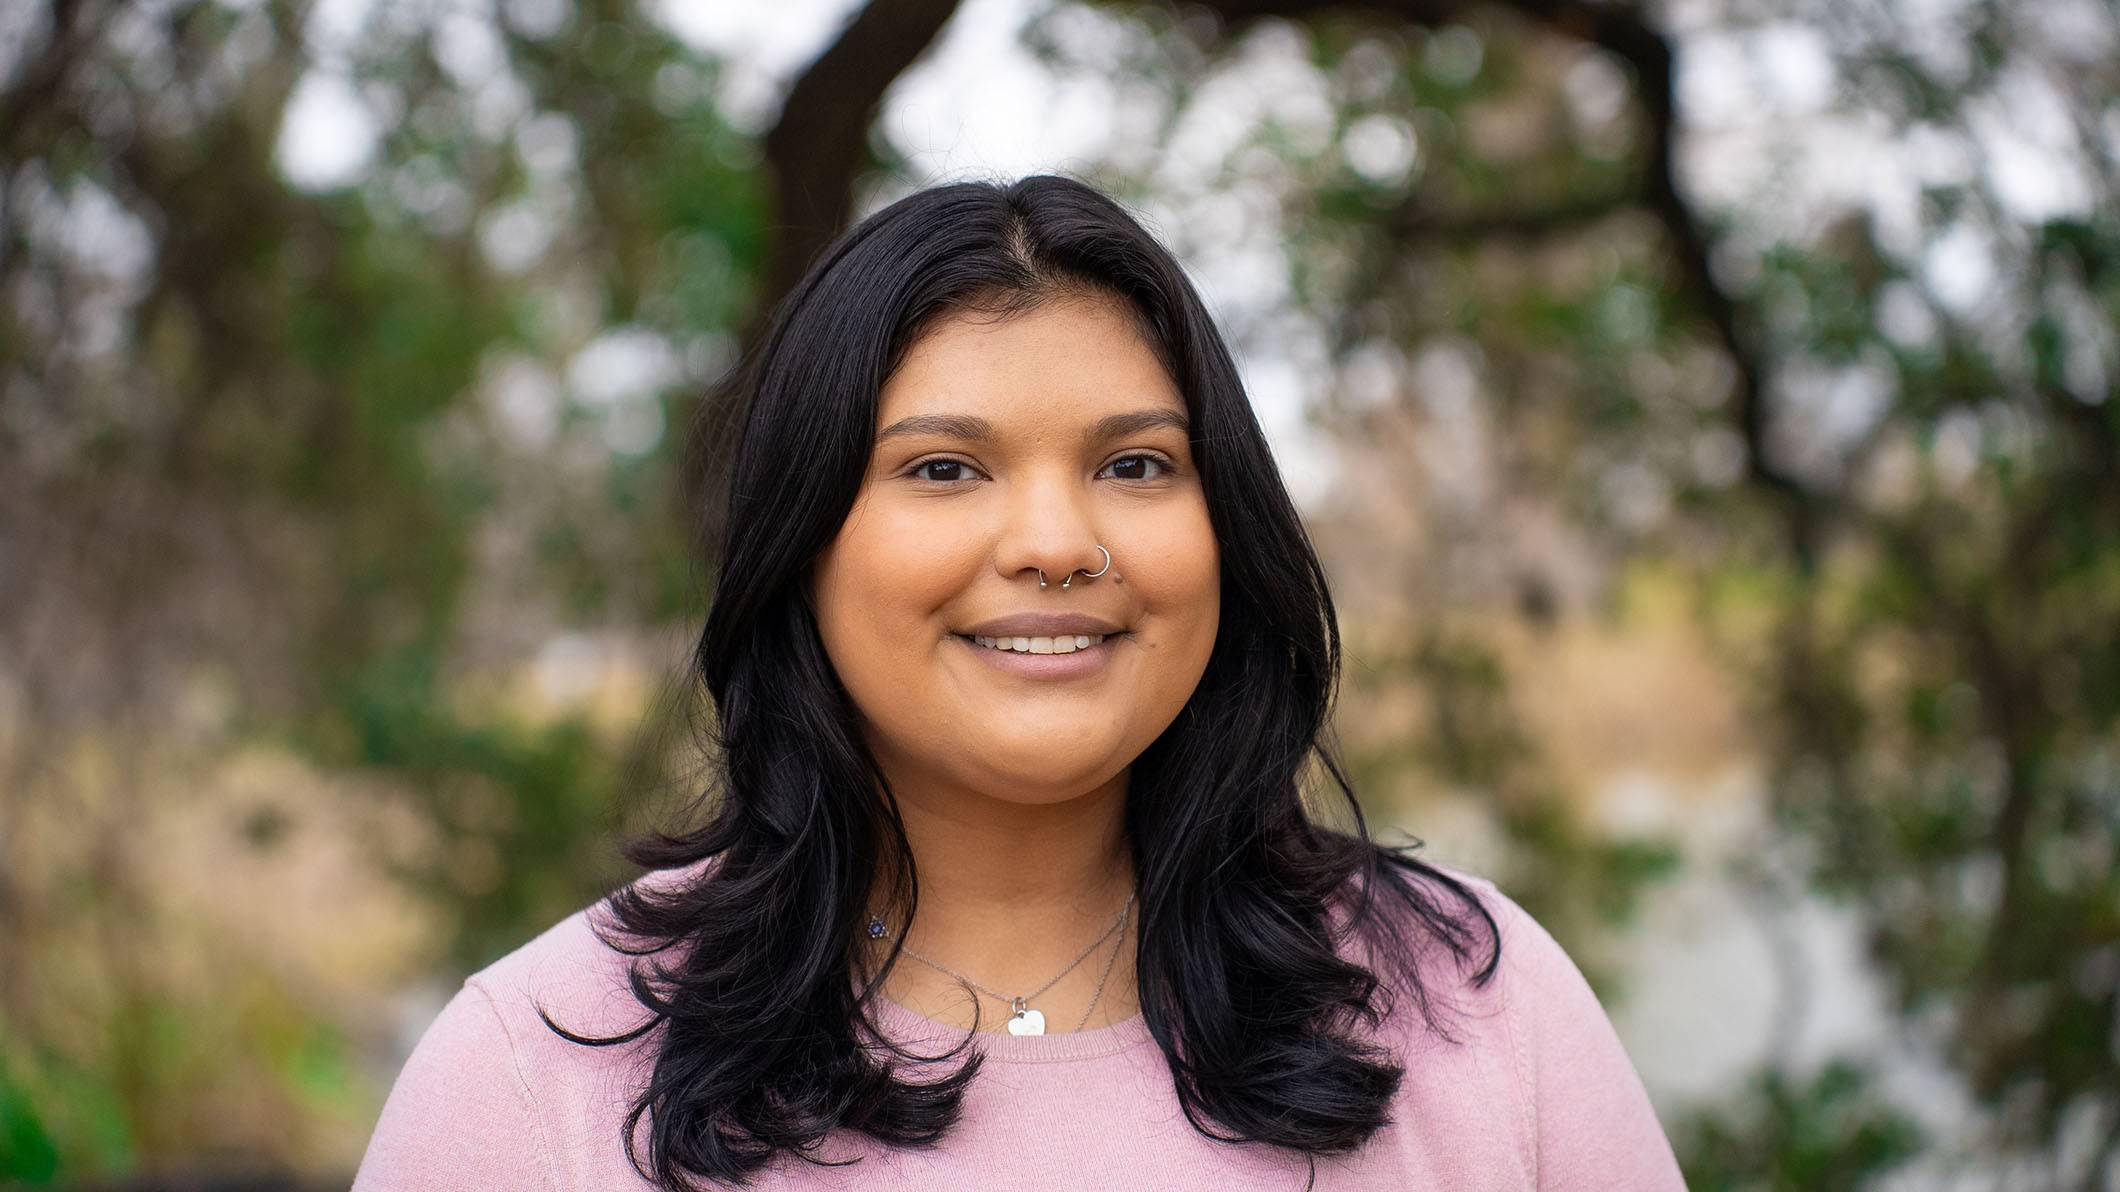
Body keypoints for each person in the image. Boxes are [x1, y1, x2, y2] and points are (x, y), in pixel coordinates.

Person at [351, 174, 1685, 1191]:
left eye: (1137, 465)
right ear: (803, 541)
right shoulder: (540, 1077)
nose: (1056, 543)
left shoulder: (1474, 1010)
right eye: (944, 469)